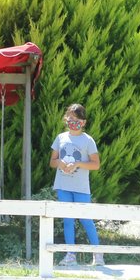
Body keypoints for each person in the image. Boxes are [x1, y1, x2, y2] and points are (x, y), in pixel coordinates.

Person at [50, 103, 102, 266]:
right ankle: (70, 255)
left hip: (81, 188)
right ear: (66, 119)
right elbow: (52, 161)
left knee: (86, 220)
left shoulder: (88, 140)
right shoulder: (60, 138)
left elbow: (95, 164)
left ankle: (98, 254)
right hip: (63, 185)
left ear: (84, 122)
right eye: (71, 118)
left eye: (78, 119)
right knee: (68, 220)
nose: (74, 122)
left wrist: (78, 164)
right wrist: (60, 163)